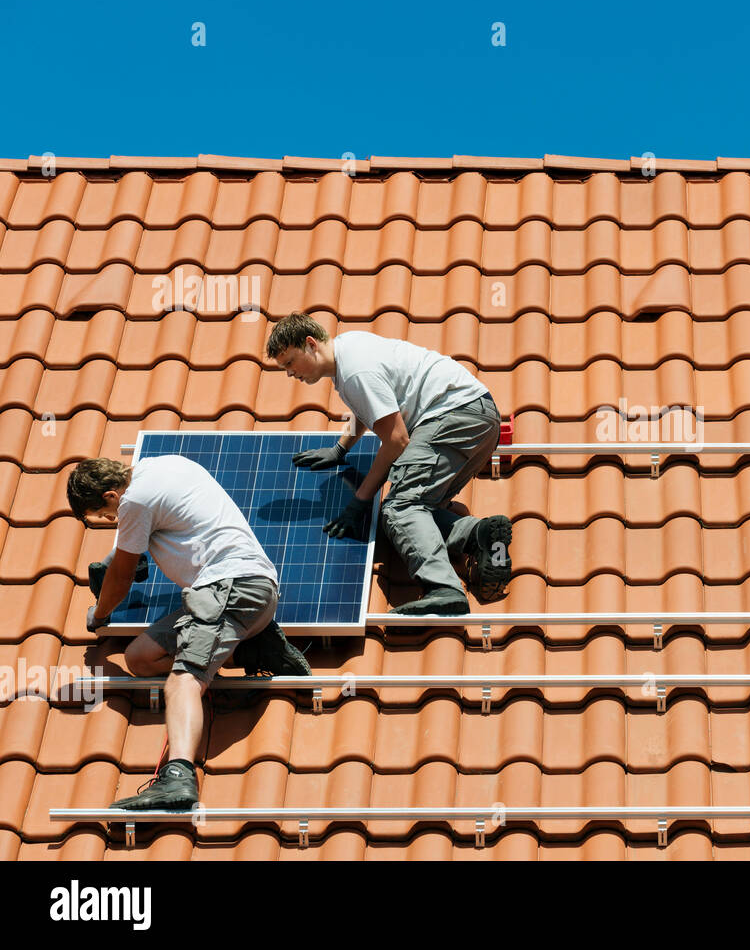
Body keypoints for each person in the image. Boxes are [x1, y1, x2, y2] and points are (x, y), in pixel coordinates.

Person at [67, 457, 311, 810]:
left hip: (230, 589)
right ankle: (256, 649)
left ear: (110, 494)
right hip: (237, 593)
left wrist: (99, 613)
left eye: (106, 515)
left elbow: (121, 576)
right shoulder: (163, 465)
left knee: (184, 681)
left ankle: (179, 777)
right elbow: (161, 525)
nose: (112, 521)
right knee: (140, 658)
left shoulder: (133, 502)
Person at [266, 314, 511, 615]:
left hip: (452, 416)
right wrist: (340, 449)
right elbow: (371, 405)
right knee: (420, 511)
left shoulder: (355, 371)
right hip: (480, 419)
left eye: (290, 363)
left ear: (310, 344)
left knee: (399, 509)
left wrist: (360, 500)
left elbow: (396, 440)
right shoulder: (348, 349)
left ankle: (443, 589)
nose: (290, 373)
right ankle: (478, 534)